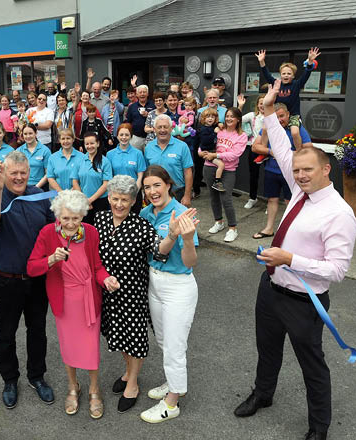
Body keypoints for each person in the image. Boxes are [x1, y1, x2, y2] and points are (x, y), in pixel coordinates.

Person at [234, 79, 356, 440]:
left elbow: (338, 270)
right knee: (267, 350)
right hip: (271, 289)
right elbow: (283, 149)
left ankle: (319, 426)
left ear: (326, 170)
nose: (300, 174)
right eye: (297, 170)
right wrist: (269, 109)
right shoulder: (300, 189)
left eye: (308, 170)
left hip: (306, 301)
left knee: (312, 366)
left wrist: (291, 258)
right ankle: (263, 394)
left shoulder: (340, 214)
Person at [93, 175, 186, 414]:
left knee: (134, 340)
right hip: (107, 293)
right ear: (109, 198)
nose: (119, 205)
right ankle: (128, 372)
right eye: (115, 199)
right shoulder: (100, 219)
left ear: (134, 201)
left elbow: (159, 251)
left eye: (125, 200)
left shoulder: (141, 226)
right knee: (118, 336)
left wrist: (172, 235)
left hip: (133, 294)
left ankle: (132, 383)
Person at [27, 190, 120, 419]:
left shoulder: (91, 232)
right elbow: (31, 267)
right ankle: (72, 386)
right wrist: (51, 259)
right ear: (58, 215)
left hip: (89, 298)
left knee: (90, 348)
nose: (70, 223)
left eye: (75, 218)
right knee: (69, 347)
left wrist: (106, 279)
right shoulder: (48, 232)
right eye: (65, 218)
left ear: (83, 215)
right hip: (65, 301)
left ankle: (94, 389)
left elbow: (97, 267)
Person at [0, 151, 56, 409]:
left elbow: (52, 230)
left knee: (37, 330)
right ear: (4, 174)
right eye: (13, 173)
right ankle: (10, 380)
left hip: (37, 280)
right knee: (6, 332)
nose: (19, 177)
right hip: (6, 281)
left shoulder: (40, 195)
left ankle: (37, 376)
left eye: (23, 173)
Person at [139, 165, 199, 423]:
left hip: (178, 286)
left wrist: (185, 238)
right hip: (155, 283)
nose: (152, 191)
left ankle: (172, 402)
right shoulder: (145, 212)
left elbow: (189, 263)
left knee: (174, 347)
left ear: (167, 184)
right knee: (163, 341)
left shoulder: (182, 214)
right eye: (147, 187)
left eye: (156, 185)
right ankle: (172, 382)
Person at [251, 103, 313, 240]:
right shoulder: (271, 129)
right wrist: (272, 152)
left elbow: (309, 147)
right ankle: (269, 229)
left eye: (282, 116)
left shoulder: (296, 128)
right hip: (271, 170)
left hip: (292, 172)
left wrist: (292, 153)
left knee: (291, 202)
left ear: (288, 114)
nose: (279, 120)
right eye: (276, 117)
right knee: (271, 199)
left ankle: (292, 232)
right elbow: (255, 147)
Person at [199, 108, 248, 242]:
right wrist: (201, 152)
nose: (229, 119)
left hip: (228, 171)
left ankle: (232, 228)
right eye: (227, 116)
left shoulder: (242, 136)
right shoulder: (218, 130)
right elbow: (204, 142)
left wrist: (215, 155)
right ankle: (218, 222)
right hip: (209, 167)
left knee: (226, 198)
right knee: (213, 196)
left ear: (238, 119)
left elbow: (234, 155)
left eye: (232, 116)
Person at [256, 47, 320, 148]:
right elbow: (266, 75)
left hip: (293, 115)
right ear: (280, 75)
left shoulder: (296, 84)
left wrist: (310, 61)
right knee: (264, 129)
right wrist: (262, 62)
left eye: (289, 74)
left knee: (294, 133)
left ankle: (299, 153)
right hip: (277, 115)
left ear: (293, 76)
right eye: (284, 73)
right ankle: (264, 152)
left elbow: (306, 74)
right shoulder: (276, 83)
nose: (286, 75)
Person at [143, 114, 194, 207]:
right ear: (154, 130)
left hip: (178, 192)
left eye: (165, 127)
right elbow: (147, 172)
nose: (162, 130)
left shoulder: (182, 146)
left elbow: (188, 172)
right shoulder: (148, 147)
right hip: (155, 194)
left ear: (171, 129)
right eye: (159, 127)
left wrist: (187, 195)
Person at [71, 132, 113, 225]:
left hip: (100, 202)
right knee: (84, 230)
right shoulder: (79, 160)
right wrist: (83, 199)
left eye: (92, 143)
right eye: (87, 144)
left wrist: (89, 200)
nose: (89, 146)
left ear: (97, 143)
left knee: (100, 230)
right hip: (82, 201)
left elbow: (106, 184)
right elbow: (75, 181)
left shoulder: (105, 162)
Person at [106, 123, 146, 213]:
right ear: (117, 136)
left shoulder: (138, 154)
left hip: (134, 194)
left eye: (127, 135)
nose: (124, 137)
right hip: (117, 195)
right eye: (121, 135)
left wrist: (133, 193)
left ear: (131, 136)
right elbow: (109, 176)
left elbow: (140, 176)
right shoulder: (110, 154)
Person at [241, 94, 267, 209]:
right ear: (257, 104)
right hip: (254, 149)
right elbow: (238, 120)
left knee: (269, 176)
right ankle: (252, 198)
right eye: (261, 103)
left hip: (268, 150)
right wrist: (240, 106)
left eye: (265, 103)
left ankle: (270, 202)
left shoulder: (273, 117)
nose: (263, 105)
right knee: (253, 175)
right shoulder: (252, 116)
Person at [196, 109, 225, 191]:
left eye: (212, 117)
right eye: (208, 117)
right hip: (208, 152)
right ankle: (217, 182)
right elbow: (205, 140)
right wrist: (215, 133)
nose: (210, 119)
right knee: (221, 165)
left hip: (212, 151)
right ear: (203, 119)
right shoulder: (203, 129)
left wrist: (219, 124)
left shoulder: (211, 127)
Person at [17, 124, 52, 190]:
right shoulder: (19, 151)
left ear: (36, 133)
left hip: (41, 187)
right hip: (22, 187)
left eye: (30, 133)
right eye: (25, 134)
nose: (28, 136)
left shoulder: (45, 151)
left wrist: (36, 187)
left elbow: (48, 173)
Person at [125, 85, 155, 150]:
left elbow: (158, 119)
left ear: (147, 94)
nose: (142, 94)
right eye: (140, 92)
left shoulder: (153, 105)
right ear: (137, 94)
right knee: (135, 158)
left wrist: (149, 115)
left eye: (144, 92)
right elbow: (128, 122)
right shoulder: (132, 107)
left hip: (151, 137)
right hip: (136, 138)